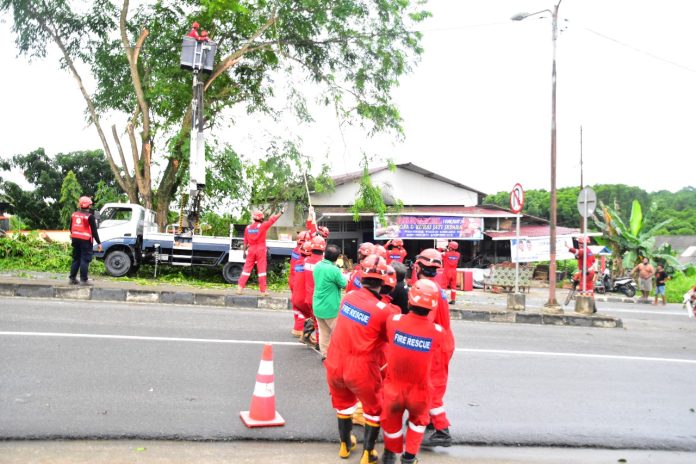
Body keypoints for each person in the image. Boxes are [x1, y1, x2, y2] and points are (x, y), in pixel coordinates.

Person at [325, 255, 392, 463]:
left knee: (343, 406)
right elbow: (388, 340)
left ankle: (345, 446)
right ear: (383, 281)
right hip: (361, 368)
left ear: (362, 277)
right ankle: (368, 453)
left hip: (335, 363)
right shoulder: (383, 311)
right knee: (374, 410)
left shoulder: (348, 297)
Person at [381, 279, 445, 464]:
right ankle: (409, 458)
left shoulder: (394, 321)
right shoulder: (438, 332)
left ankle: (389, 454)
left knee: (391, 422)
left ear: (409, 301)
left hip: (393, 389)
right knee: (418, 422)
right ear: (432, 308)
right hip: (420, 391)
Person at [413, 248, 455, 448]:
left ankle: (442, 430)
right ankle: (428, 419)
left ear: (418, 266)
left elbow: (423, 324)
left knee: (431, 387)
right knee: (430, 384)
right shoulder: (435, 286)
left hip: (436, 346)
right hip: (443, 341)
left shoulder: (426, 289)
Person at [236, 207, 284, 296]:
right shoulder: (262, 226)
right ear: (261, 218)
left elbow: (245, 241)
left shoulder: (248, 228)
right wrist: (281, 212)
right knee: (261, 270)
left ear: (254, 218)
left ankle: (240, 288)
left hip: (251, 250)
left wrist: (244, 252)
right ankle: (263, 291)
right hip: (260, 250)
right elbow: (272, 220)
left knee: (246, 269)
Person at [312, 244, 347, 357]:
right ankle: (339, 357)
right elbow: (344, 284)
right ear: (337, 258)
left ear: (324, 254)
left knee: (324, 333)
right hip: (330, 307)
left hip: (317, 305)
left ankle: (325, 355)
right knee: (338, 334)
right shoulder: (334, 270)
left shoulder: (317, 265)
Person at [68, 196, 102, 285]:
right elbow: (94, 231)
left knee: (76, 259)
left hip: (75, 239)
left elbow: (70, 228)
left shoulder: (74, 214)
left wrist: (74, 236)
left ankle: (72, 279)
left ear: (80, 205)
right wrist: (99, 243)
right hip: (85, 240)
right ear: (89, 206)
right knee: (84, 259)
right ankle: (83, 280)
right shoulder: (90, 216)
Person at [303, 235, 326, 346]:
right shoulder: (323, 264)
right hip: (319, 298)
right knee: (320, 323)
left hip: (309, 298)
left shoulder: (306, 261)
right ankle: (318, 342)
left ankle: (307, 335)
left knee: (314, 318)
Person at [289, 230, 312, 337]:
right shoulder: (305, 258)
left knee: (296, 304)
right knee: (303, 306)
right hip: (300, 280)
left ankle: (297, 326)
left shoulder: (295, 250)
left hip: (293, 279)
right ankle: (299, 328)